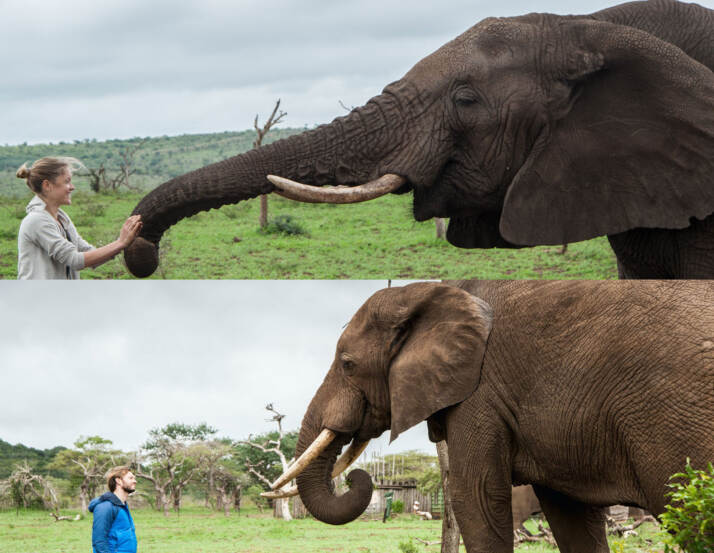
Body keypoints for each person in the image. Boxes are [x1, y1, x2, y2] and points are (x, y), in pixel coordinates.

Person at [16, 157, 142, 279]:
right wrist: (120, 243)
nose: (72, 187)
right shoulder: (37, 220)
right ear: (47, 185)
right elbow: (75, 260)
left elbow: (88, 253)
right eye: (66, 181)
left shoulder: (61, 218)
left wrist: (125, 239)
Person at [88, 466, 138, 553]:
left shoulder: (122, 506)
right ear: (118, 481)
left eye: (134, 478)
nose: (135, 481)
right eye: (130, 478)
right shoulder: (105, 507)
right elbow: (99, 542)